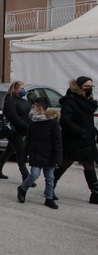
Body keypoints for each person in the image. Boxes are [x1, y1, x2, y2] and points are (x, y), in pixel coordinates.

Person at [53, 76, 98, 204]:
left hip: (87, 140)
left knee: (88, 164)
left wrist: (93, 131)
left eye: (91, 86)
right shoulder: (70, 101)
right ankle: (50, 185)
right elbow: (65, 121)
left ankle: (95, 193)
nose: (89, 89)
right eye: (87, 86)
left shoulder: (88, 101)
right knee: (65, 163)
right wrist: (81, 131)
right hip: (73, 139)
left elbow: (86, 121)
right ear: (78, 87)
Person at [16, 97, 62, 209]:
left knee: (50, 177)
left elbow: (57, 141)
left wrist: (58, 158)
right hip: (36, 154)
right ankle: (22, 189)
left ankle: (49, 199)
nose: (32, 110)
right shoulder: (33, 122)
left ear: (40, 108)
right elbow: (28, 140)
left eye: (34, 107)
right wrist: (23, 155)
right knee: (34, 174)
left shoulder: (53, 122)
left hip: (49, 155)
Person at [0, 81, 30, 182]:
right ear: (16, 89)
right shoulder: (10, 100)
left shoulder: (22, 100)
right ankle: (26, 176)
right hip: (13, 130)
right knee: (20, 153)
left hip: (22, 130)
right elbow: (12, 115)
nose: (23, 90)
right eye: (22, 89)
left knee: (10, 149)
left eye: (24, 88)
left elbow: (26, 113)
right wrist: (23, 124)